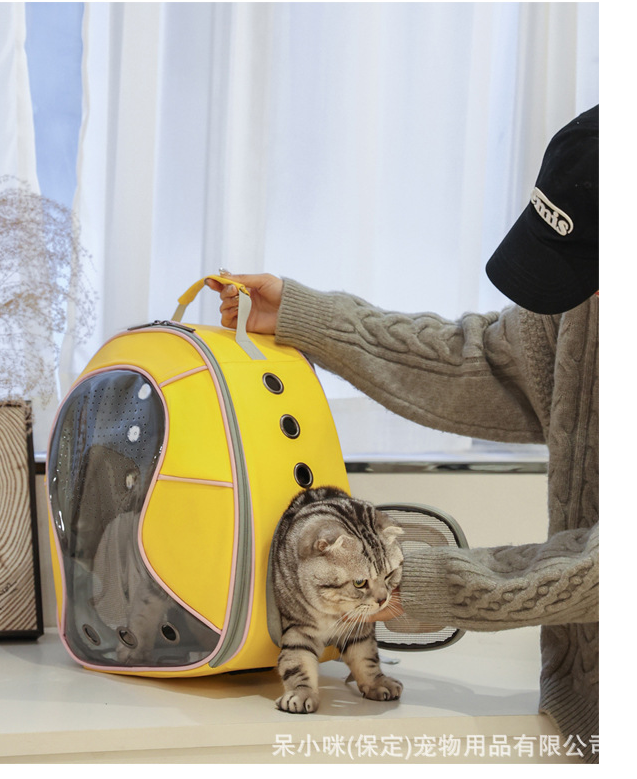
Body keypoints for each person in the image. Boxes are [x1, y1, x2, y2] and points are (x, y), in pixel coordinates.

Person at [207, 105, 599, 761]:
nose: (586, 296)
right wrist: (312, 319)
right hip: (584, 713)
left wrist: (403, 579)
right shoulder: (587, 288)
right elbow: (489, 366)